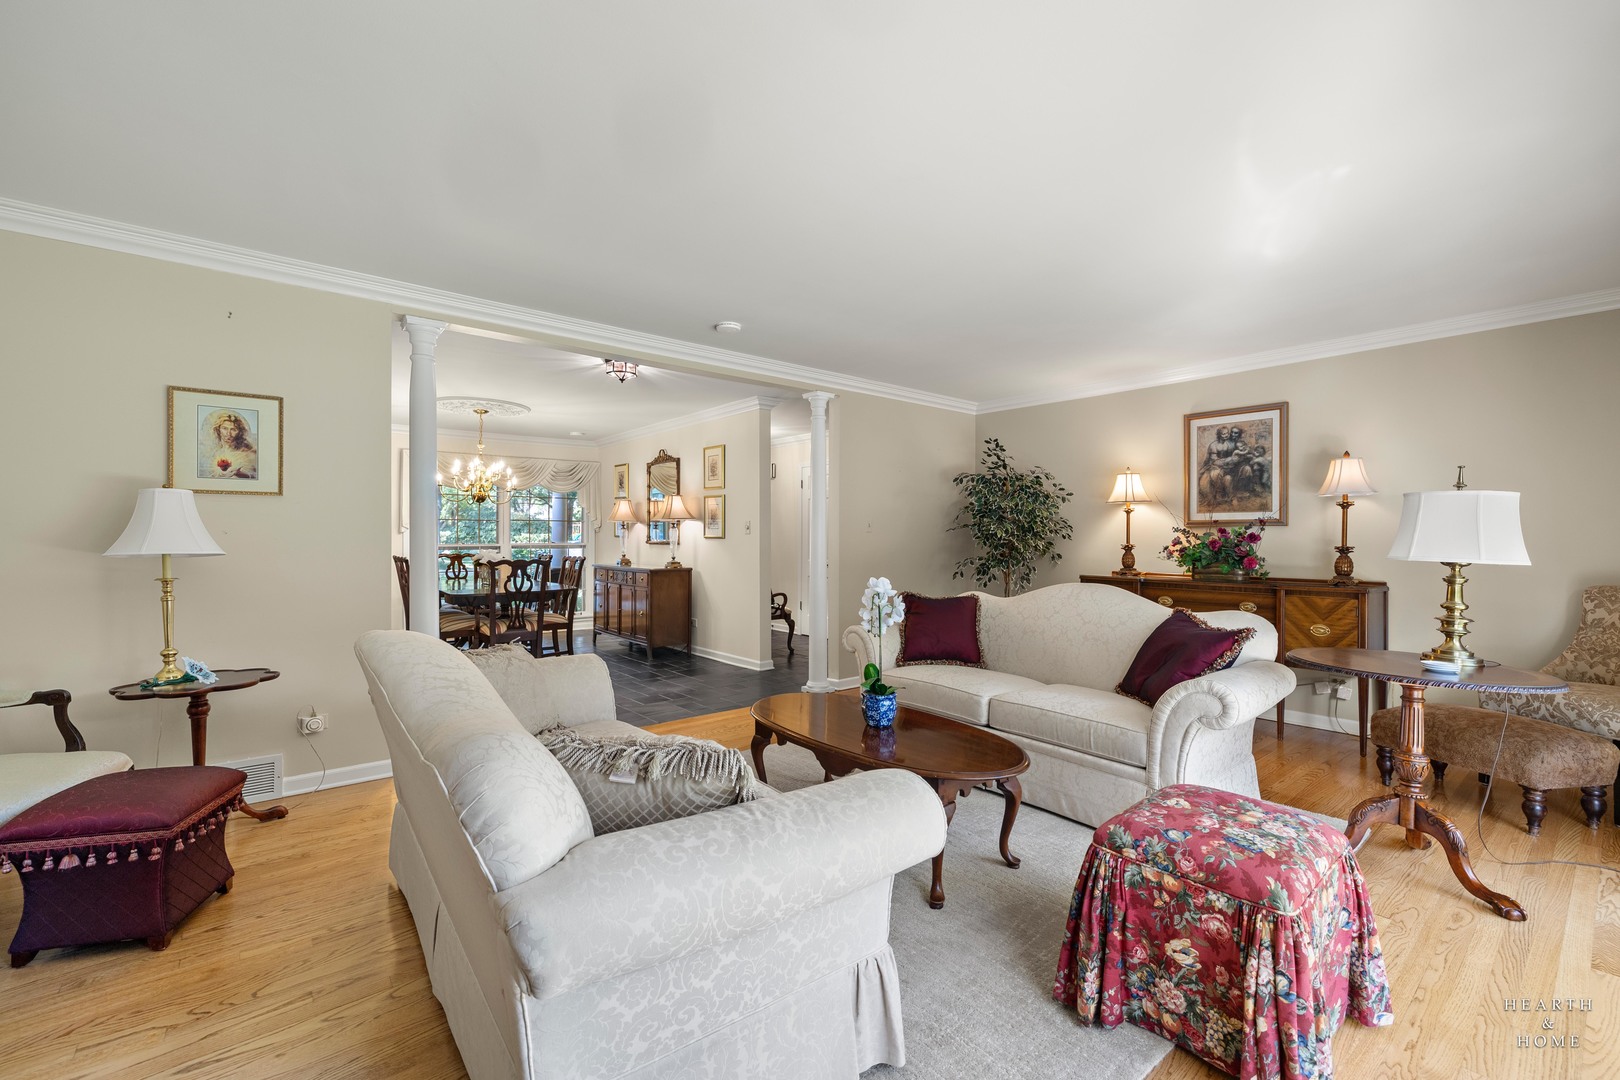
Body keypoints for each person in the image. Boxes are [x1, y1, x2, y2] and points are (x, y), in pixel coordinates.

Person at [197, 409, 259, 480]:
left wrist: (238, 474)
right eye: (224, 428)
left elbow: (256, 476)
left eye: (233, 429)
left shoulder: (248, 453)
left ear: (239, 432)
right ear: (218, 430)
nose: (228, 433)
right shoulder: (212, 453)